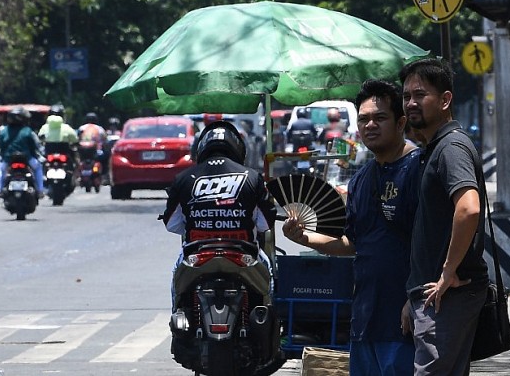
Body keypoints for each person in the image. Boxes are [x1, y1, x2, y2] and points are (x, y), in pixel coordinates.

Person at [283, 79, 420, 375]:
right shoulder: (361, 179)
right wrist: (304, 237)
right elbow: (352, 244)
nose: (371, 125)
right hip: (365, 321)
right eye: (364, 119)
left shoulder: (420, 169)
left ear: (401, 123)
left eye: (380, 118)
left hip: (407, 320)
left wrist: (415, 300)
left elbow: (437, 243)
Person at [399, 58, 489, 376]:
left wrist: (448, 272)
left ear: (445, 99)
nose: (411, 103)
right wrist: (414, 296)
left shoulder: (451, 147)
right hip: (433, 297)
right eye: (407, 95)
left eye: (420, 94)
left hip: (449, 296)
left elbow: (469, 208)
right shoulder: (435, 147)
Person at [157, 120, 277, 351]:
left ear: (201, 148)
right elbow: (264, 225)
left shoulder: (184, 178)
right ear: (239, 148)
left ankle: (178, 317)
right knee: (269, 284)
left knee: (176, 285)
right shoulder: (251, 177)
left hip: (196, 255)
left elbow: (172, 224)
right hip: (245, 256)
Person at [0, 106, 45, 198]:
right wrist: (36, 155)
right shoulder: (27, 131)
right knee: (38, 168)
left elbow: (1, 146)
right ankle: (40, 191)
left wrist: (3, 155)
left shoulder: (3, 131)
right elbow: (33, 146)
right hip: (27, 157)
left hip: (8, 158)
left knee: (1, 170)